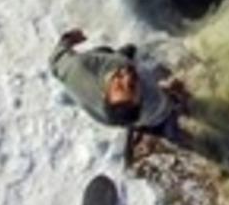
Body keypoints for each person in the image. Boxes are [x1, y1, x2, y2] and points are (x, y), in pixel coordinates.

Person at [49, 28, 187, 136]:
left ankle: (71, 94)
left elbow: (55, 61)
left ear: (104, 94)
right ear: (141, 100)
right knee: (159, 116)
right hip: (132, 115)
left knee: (112, 50)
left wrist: (67, 40)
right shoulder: (152, 102)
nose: (127, 76)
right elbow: (164, 105)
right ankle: (145, 127)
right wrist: (172, 95)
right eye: (132, 86)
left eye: (119, 86)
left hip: (91, 72)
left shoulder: (79, 67)